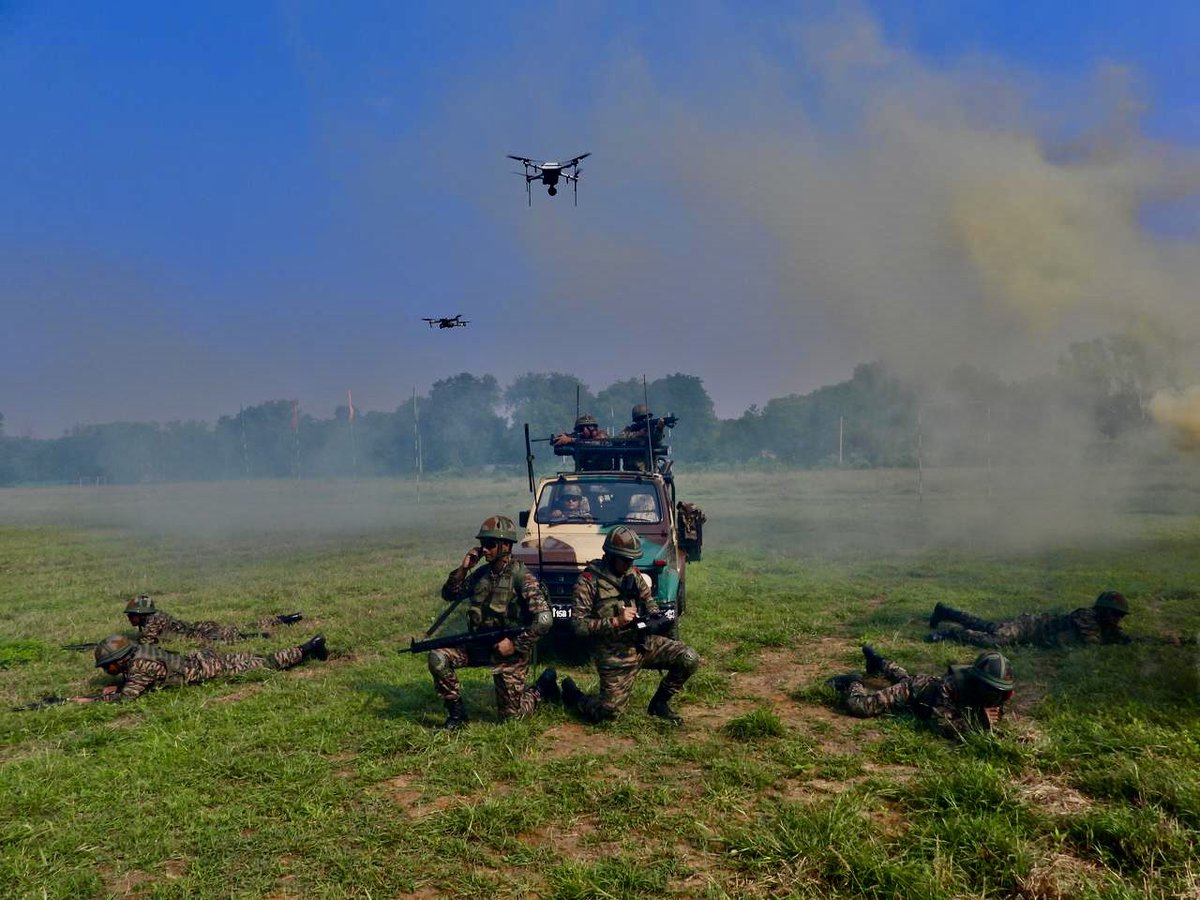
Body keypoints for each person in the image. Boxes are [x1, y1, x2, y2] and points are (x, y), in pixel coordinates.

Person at [562, 525, 700, 725]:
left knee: (688, 658)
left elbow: (650, 603)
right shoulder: (588, 581)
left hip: (641, 643)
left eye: (632, 560)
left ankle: (659, 704)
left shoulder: (633, 574)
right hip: (613, 652)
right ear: (611, 556)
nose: (629, 564)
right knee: (610, 714)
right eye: (625, 559)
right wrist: (616, 622)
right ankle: (575, 697)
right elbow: (578, 626)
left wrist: (653, 619)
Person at [431, 516, 558, 729]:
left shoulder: (522, 577)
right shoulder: (481, 574)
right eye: (483, 544)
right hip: (479, 644)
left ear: (505, 546)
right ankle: (457, 715)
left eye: (490, 544)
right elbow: (449, 594)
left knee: (512, 718)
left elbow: (544, 620)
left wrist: (515, 645)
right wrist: (464, 568)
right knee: (438, 658)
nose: (484, 549)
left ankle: (542, 688)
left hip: (509, 652)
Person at [827, 644, 1014, 741]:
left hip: (924, 685)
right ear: (975, 682)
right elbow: (940, 724)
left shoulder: (994, 696)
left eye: (1000, 693)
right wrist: (977, 723)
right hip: (914, 692)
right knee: (861, 706)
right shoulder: (952, 686)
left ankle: (878, 661)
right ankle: (853, 681)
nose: (994, 698)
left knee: (902, 677)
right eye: (989, 690)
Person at [81, 631, 329, 703]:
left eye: (107, 667)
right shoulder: (139, 652)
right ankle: (312, 650)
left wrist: (88, 699)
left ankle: (310, 647)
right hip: (204, 661)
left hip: (210, 670)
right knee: (259, 658)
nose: (106, 671)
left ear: (120, 660)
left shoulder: (139, 664)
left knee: (268, 664)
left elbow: (128, 698)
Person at [926, 591, 1131, 648]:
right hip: (1028, 628)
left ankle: (945, 612)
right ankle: (952, 633)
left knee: (985, 626)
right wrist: (1116, 638)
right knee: (996, 639)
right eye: (1115, 614)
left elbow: (1118, 636)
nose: (1117, 619)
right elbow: (1091, 643)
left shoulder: (1103, 625)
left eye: (1120, 616)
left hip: (1030, 632)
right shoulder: (1087, 617)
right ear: (1102, 611)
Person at [124, 595, 304, 645]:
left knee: (226, 639)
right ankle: (285, 619)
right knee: (240, 626)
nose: (129, 618)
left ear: (142, 614)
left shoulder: (153, 621)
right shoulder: (154, 616)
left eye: (132, 615)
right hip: (198, 628)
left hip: (198, 633)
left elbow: (146, 644)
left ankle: (261, 636)